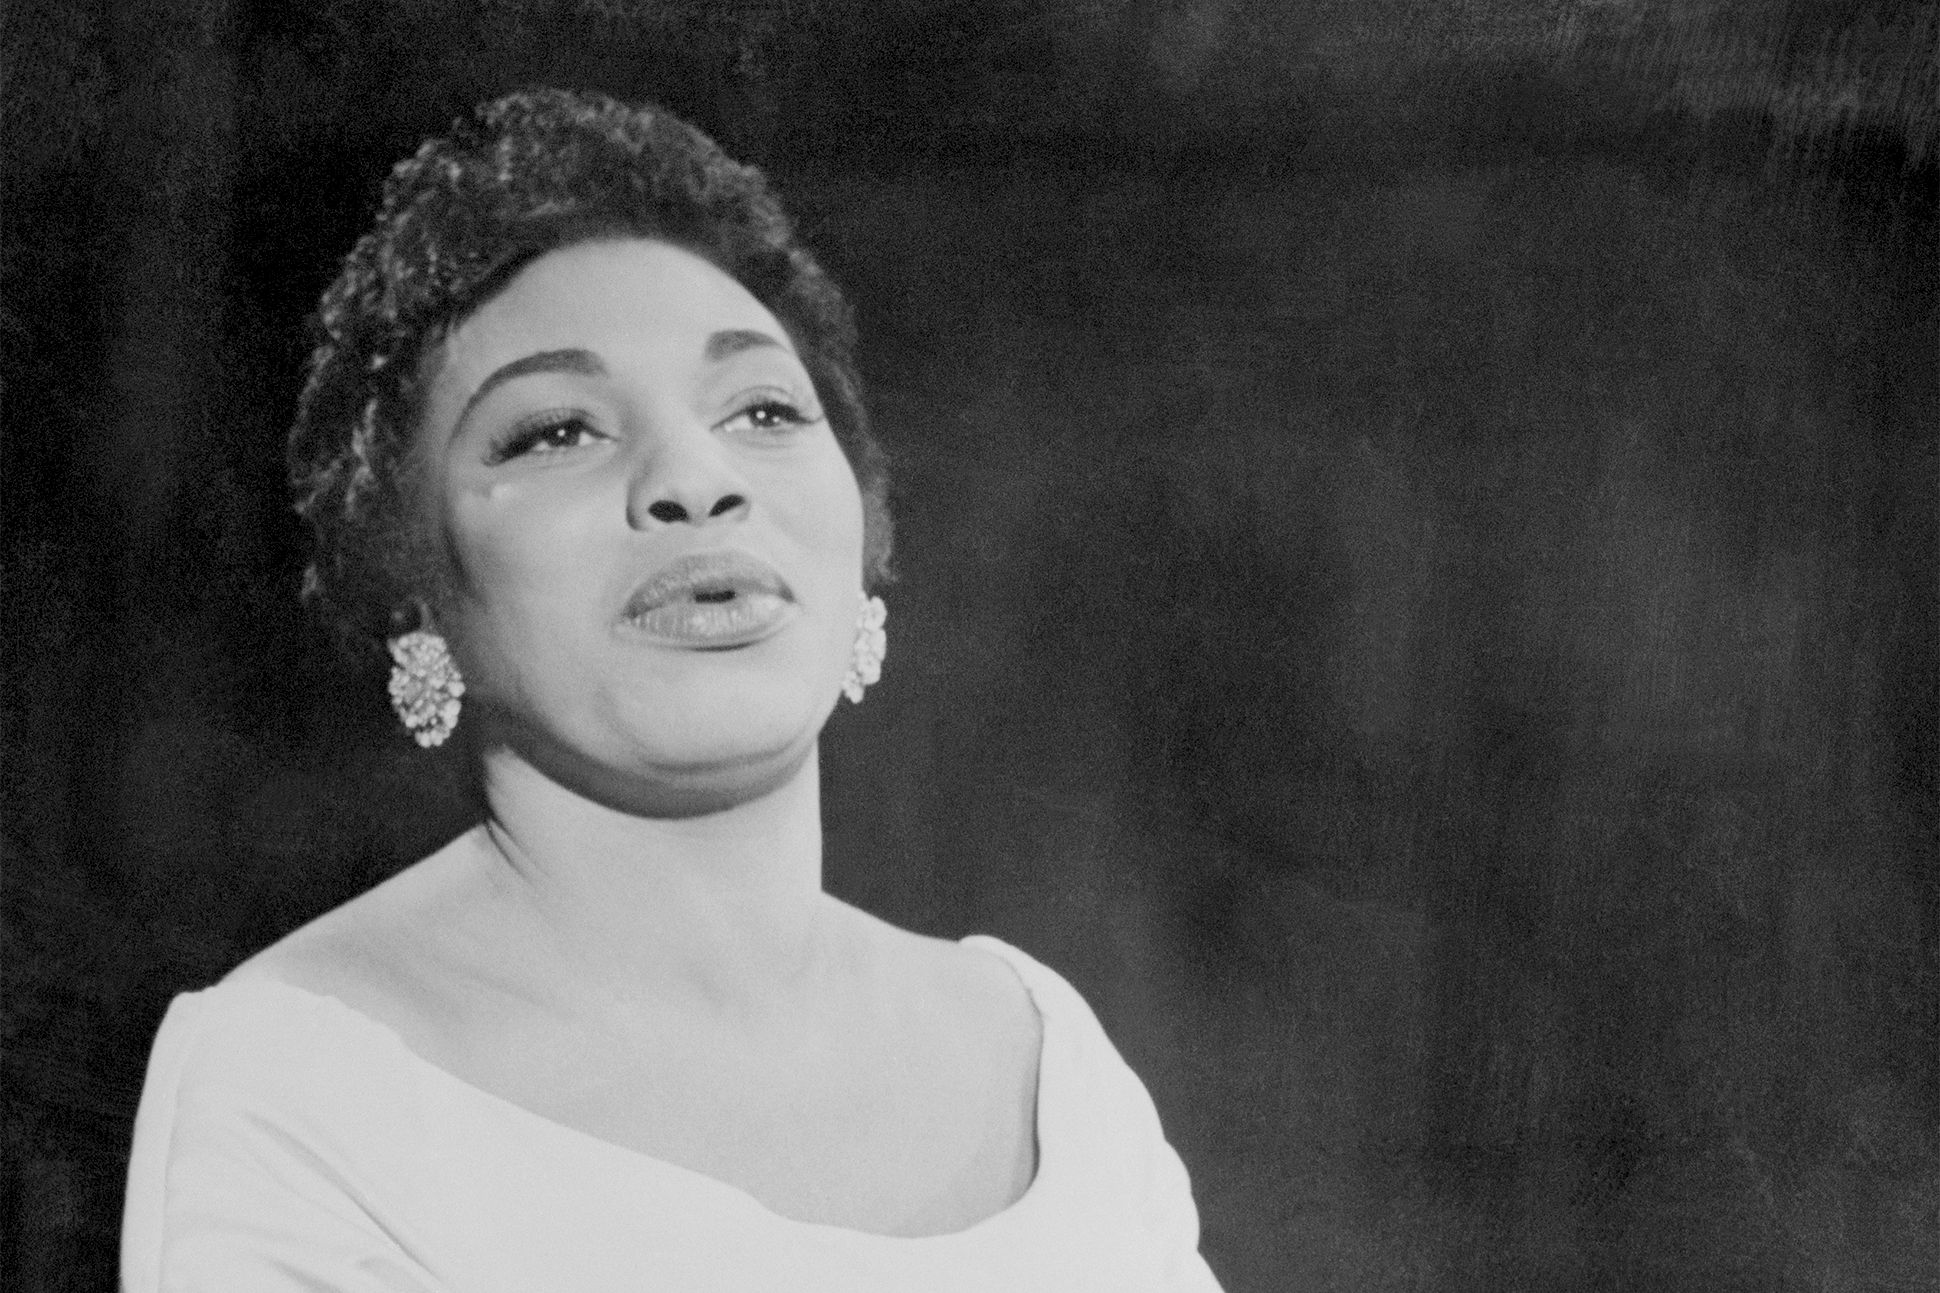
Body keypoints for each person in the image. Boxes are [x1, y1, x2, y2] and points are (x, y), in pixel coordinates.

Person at [121, 88, 1222, 1291]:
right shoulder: (299, 1084)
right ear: (417, 600)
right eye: (556, 432)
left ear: (864, 549)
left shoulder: (1046, 1058)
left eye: (761, 409)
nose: (693, 479)